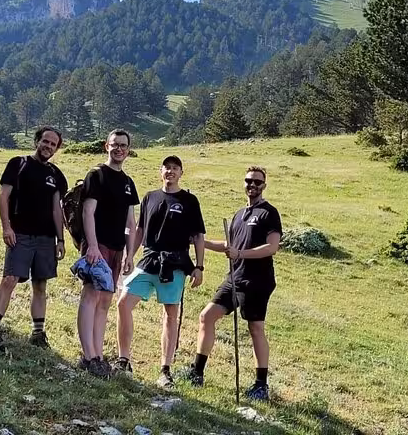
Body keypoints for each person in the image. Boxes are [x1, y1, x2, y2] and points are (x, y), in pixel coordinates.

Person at [185, 166, 282, 401]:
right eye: (249, 181)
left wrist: (241, 254)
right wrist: (201, 242)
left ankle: (261, 385)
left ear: (264, 186)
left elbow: (272, 247)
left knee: (255, 328)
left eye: (258, 182)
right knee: (206, 316)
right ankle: (197, 372)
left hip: (258, 280)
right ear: (244, 183)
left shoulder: (269, 213)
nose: (253, 186)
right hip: (234, 278)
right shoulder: (239, 215)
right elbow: (230, 246)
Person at [113, 155, 205, 388]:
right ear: (160, 171)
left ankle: (165, 370)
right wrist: (129, 256)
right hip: (148, 260)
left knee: (170, 314)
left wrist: (198, 266)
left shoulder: (189, 201)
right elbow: (140, 229)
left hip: (175, 263)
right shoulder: (149, 197)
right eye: (167, 168)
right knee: (123, 304)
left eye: (175, 169)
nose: (170, 172)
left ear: (181, 173)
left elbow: (197, 236)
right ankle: (124, 359)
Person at [0, 126, 68, 350]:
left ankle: (38, 334)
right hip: (19, 234)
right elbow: (3, 196)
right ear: (37, 141)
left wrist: (60, 240)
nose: (48, 146)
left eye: (53, 144)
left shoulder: (56, 175)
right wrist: (6, 228)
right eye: (45, 141)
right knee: (9, 279)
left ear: (57, 148)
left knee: (40, 285)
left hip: (46, 239)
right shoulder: (17, 164)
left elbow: (56, 210)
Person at [76, 129, 140, 378]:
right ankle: (88, 355)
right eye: (115, 145)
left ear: (128, 149)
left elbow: (131, 223)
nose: (119, 149)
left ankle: (99, 356)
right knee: (91, 297)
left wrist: (130, 253)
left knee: (105, 302)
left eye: (123, 145)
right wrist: (91, 245)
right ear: (106, 146)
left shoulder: (127, 183)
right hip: (98, 245)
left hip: (117, 248)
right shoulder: (96, 175)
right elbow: (87, 212)